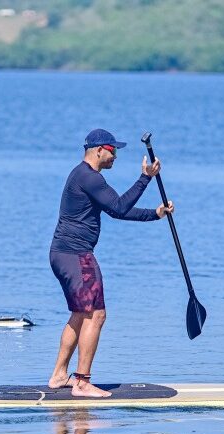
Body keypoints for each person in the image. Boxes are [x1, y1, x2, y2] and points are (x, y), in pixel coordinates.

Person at [48, 128, 174, 397]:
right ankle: (81, 382)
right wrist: (145, 178)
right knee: (97, 315)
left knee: (81, 315)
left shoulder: (83, 176)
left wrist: (155, 214)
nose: (116, 155)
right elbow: (118, 206)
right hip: (77, 255)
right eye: (113, 150)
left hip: (62, 254)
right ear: (98, 150)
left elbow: (117, 210)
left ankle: (60, 375)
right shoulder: (88, 177)